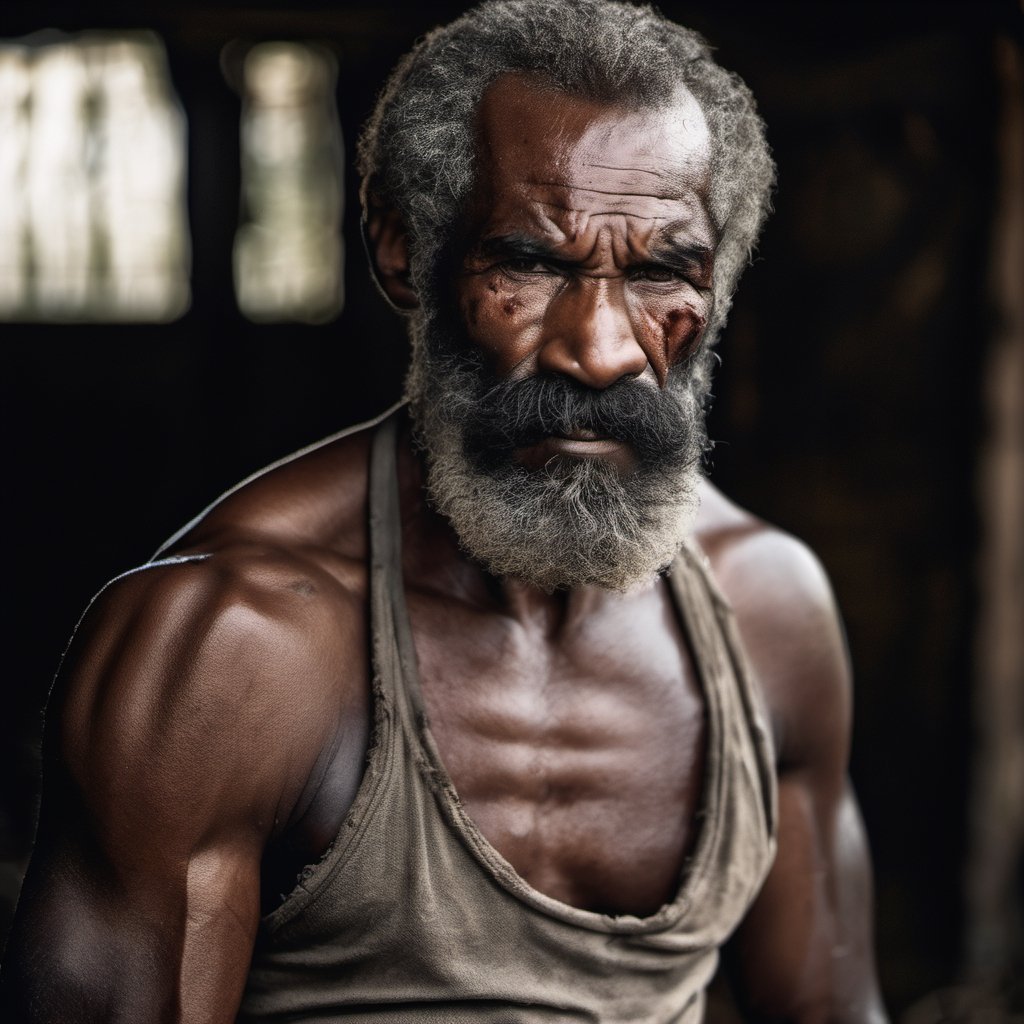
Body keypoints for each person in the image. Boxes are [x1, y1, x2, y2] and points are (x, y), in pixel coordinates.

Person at [0, 1, 889, 1020]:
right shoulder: (227, 648)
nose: (600, 351)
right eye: (530, 263)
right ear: (401, 255)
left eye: (657, 273)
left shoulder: (769, 614)